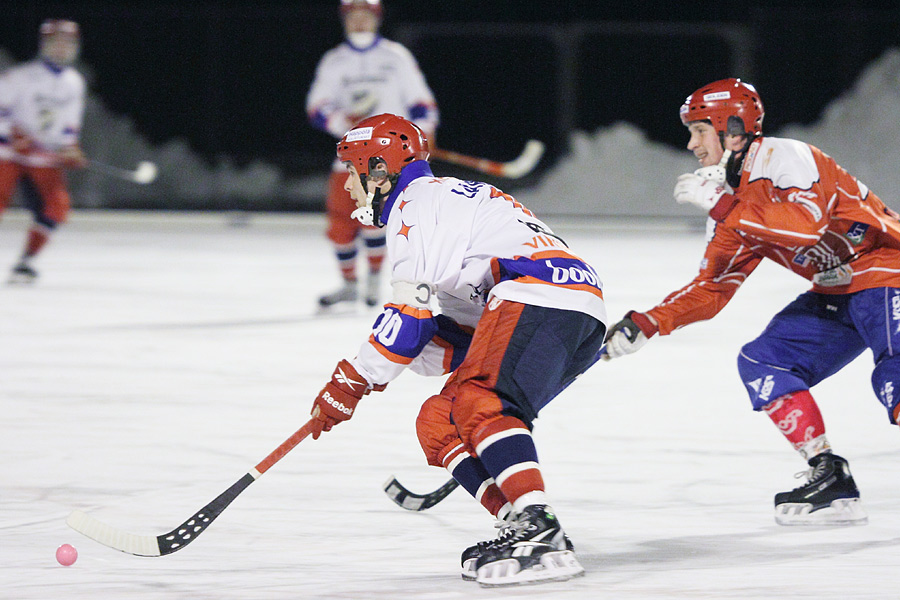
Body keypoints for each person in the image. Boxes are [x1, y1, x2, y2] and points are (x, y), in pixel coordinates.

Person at [308, 113, 606, 586]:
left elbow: (411, 318)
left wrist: (352, 380)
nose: (348, 188)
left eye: (352, 172)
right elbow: (438, 337)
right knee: (439, 420)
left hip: (539, 294)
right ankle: (518, 523)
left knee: (479, 401)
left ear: (379, 170)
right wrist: (368, 374)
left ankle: (540, 527)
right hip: (560, 308)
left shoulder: (418, 204)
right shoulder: (440, 200)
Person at [603, 78, 900, 526]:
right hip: (839, 291)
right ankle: (826, 471)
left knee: (895, 376)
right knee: (765, 363)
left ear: (734, 128)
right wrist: (647, 322)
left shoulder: (783, 157)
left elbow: (807, 226)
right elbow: (713, 287)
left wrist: (724, 206)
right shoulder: (731, 198)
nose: (691, 144)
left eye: (700, 131)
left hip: (888, 272)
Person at [306, 0, 438, 308]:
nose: (359, 22)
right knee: (340, 221)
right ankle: (350, 283)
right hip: (350, 154)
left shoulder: (395, 57)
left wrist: (423, 130)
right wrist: (340, 121)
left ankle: (374, 283)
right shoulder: (334, 61)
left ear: (377, 18)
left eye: (366, 15)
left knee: (374, 218)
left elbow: (421, 103)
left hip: (387, 157)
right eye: (353, 16)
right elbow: (317, 106)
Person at [0, 18, 87, 283]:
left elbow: (70, 123)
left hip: (41, 157)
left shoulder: (74, 82)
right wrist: (9, 135)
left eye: (68, 43)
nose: (62, 48)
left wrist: (70, 148)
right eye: (55, 42)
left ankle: (26, 262)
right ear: (44, 45)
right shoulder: (21, 76)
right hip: (8, 155)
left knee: (57, 207)